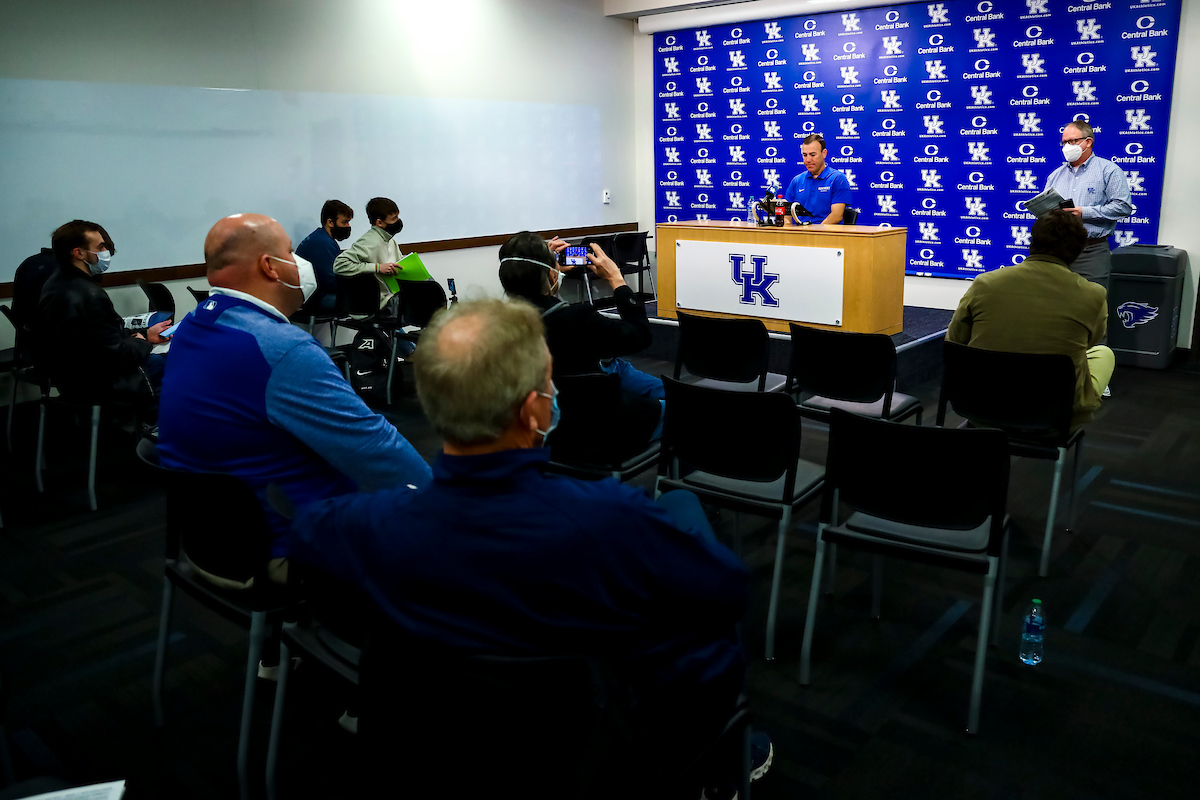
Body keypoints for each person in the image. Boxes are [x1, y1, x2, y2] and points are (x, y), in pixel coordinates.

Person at [287, 297, 764, 795]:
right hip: (586, 759)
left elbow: (304, 541)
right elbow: (723, 596)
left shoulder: (349, 527)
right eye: (548, 383)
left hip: (432, 753)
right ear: (536, 409)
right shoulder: (616, 523)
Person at [157, 213, 432, 589]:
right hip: (282, 547)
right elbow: (377, 450)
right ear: (270, 267)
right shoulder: (280, 349)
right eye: (289, 250)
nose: (299, 261)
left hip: (207, 541)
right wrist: (443, 502)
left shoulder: (193, 327)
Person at [498, 232, 663, 462]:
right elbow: (640, 336)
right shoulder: (577, 320)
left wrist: (544, 267)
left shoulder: (495, 327)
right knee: (682, 407)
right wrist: (617, 279)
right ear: (549, 274)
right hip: (601, 426)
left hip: (545, 430)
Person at [947, 210, 1114, 430]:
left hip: (979, 406)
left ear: (1031, 242)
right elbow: (1090, 342)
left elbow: (954, 340)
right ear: (1078, 250)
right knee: (1103, 353)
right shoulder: (1093, 294)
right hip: (1053, 417)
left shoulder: (984, 282)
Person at [35, 220, 171, 401]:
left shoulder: (55, 283)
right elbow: (117, 354)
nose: (105, 252)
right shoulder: (89, 295)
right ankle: (155, 423)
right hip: (103, 383)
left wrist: (145, 334)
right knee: (177, 362)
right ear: (79, 253)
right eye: (100, 247)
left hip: (73, 379)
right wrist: (143, 342)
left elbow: (99, 337)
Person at [1042, 120, 1133, 293]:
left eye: (1072, 141)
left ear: (1088, 142)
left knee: (1092, 304)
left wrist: (1084, 212)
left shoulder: (1109, 170)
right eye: (1064, 142)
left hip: (1091, 251)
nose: (1067, 146)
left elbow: (1123, 207)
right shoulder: (1055, 176)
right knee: (1055, 303)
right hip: (1058, 250)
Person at [333, 196, 405, 312]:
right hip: (379, 303)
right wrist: (377, 267)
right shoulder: (369, 242)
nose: (398, 221)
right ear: (379, 222)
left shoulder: (390, 241)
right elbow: (339, 264)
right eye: (394, 218)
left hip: (391, 296)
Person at [294, 199, 353, 315]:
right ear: (330, 222)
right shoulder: (322, 243)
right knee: (365, 300)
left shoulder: (322, 238)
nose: (348, 226)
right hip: (315, 299)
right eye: (344, 222)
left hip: (317, 295)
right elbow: (330, 281)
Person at [783, 133, 852, 225]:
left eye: (812, 155)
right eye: (805, 155)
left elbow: (836, 215)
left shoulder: (838, 179)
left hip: (827, 235)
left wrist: (815, 234)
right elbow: (786, 215)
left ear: (824, 154)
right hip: (801, 234)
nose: (808, 160)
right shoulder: (796, 181)